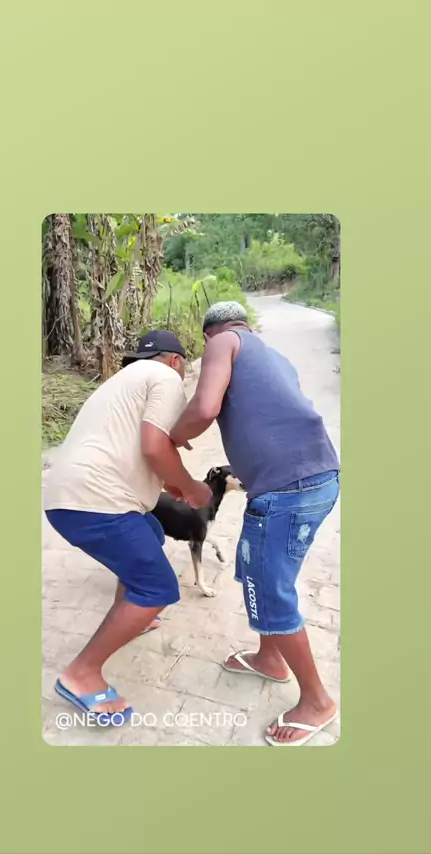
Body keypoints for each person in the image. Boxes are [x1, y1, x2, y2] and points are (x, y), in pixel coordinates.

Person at [171, 301, 340, 746]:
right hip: (311, 480)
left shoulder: (223, 341)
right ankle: (270, 658)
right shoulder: (273, 355)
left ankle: (317, 701)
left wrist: (173, 436)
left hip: (289, 489)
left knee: (270, 589)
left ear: (209, 334)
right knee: (257, 569)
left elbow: (205, 407)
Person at [44, 330, 211, 725]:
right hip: (95, 501)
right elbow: (155, 446)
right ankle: (82, 675)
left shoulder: (122, 382)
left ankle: (132, 614)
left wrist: (167, 482)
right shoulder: (166, 377)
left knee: (151, 532)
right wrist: (192, 487)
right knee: (159, 588)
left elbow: (135, 448)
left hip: (71, 493)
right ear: (176, 361)